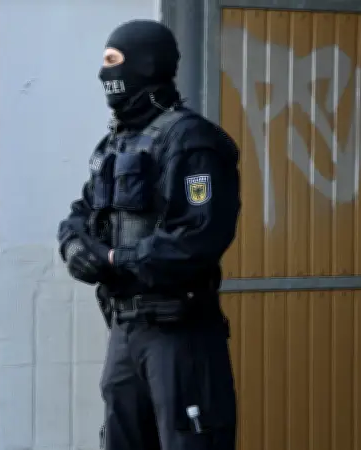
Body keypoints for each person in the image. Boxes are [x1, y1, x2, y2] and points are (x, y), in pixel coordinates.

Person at [56, 19, 241, 450]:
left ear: (145, 64)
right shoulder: (115, 144)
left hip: (178, 333)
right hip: (125, 330)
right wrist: (74, 246)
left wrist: (116, 260)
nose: (104, 74)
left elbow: (197, 238)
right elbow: (81, 213)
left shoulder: (191, 141)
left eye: (113, 61)